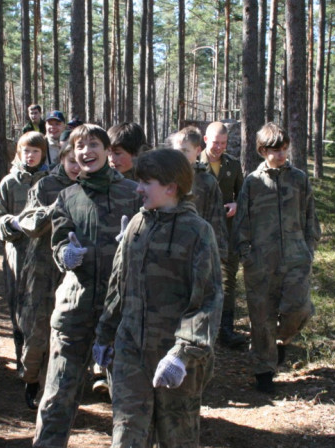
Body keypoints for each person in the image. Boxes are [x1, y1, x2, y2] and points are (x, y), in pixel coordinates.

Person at [94, 149, 223, 447]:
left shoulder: (198, 232)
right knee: (126, 435)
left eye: (146, 182)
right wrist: (104, 335)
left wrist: (182, 354)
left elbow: (207, 300)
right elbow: (118, 284)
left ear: (171, 187)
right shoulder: (137, 225)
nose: (138, 188)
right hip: (130, 352)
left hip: (177, 360)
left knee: (177, 437)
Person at [34, 124, 142, 448]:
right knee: (56, 399)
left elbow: (154, 241)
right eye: (79, 146)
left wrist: (134, 243)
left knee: (127, 405)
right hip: (74, 312)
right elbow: (57, 245)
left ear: (108, 151)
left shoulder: (133, 193)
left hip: (120, 314)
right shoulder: (66, 197)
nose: (86, 152)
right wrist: (66, 256)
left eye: (93, 144)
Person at [233, 123, 321, 393]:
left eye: (284, 149)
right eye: (275, 150)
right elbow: (242, 222)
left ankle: (280, 341)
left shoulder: (299, 179)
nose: (281, 155)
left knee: (299, 309)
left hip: (295, 258)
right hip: (260, 262)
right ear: (262, 150)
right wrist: (247, 254)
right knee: (262, 319)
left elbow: (310, 217)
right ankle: (264, 371)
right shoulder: (253, 182)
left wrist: (308, 248)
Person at [14, 143, 81, 410]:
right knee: (37, 329)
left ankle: (57, 384)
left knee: (67, 330)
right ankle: (31, 379)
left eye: (81, 161)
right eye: (71, 160)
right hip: (42, 268)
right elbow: (29, 223)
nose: (77, 167)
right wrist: (56, 207)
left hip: (74, 270)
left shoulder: (91, 188)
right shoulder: (45, 186)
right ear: (62, 159)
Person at [0, 131, 50, 384]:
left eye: (36, 151)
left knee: (44, 310)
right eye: (26, 150)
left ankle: (42, 369)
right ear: (19, 153)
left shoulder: (51, 182)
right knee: (18, 310)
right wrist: (10, 223)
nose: (31, 155)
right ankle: (22, 365)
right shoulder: (9, 182)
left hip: (45, 257)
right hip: (16, 255)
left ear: (43, 154)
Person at [199, 121, 246, 348]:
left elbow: (243, 194)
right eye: (215, 143)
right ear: (206, 140)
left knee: (228, 280)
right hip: (200, 232)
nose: (219, 148)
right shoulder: (193, 164)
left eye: (223, 144)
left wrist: (237, 205)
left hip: (227, 233)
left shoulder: (233, 165)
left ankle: (226, 329)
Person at [169, 126, 229, 262]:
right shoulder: (164, 179)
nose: (180, 155)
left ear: (197, 151)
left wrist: (218, 254)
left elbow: (217, 220)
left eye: (185, 151)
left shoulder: (206, 182)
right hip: (168, 248)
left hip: (198, 250)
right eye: (177, 151)